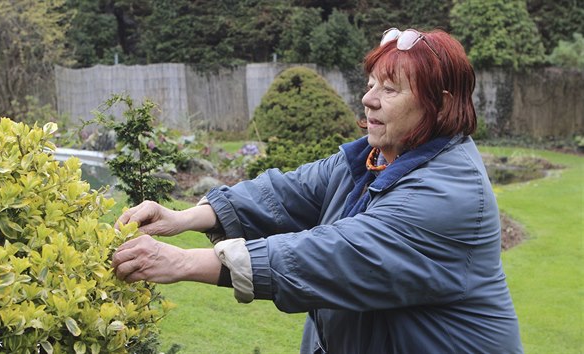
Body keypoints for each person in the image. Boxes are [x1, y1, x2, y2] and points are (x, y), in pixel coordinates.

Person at [111, 28, 523, 353]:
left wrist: (184, 263)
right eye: (370, 84)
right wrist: (182, 218)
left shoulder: (447, 193)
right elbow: (288, 192)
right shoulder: (375, 158)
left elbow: (332, 256)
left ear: (441, 104)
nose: (368, 99)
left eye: (390, 89)